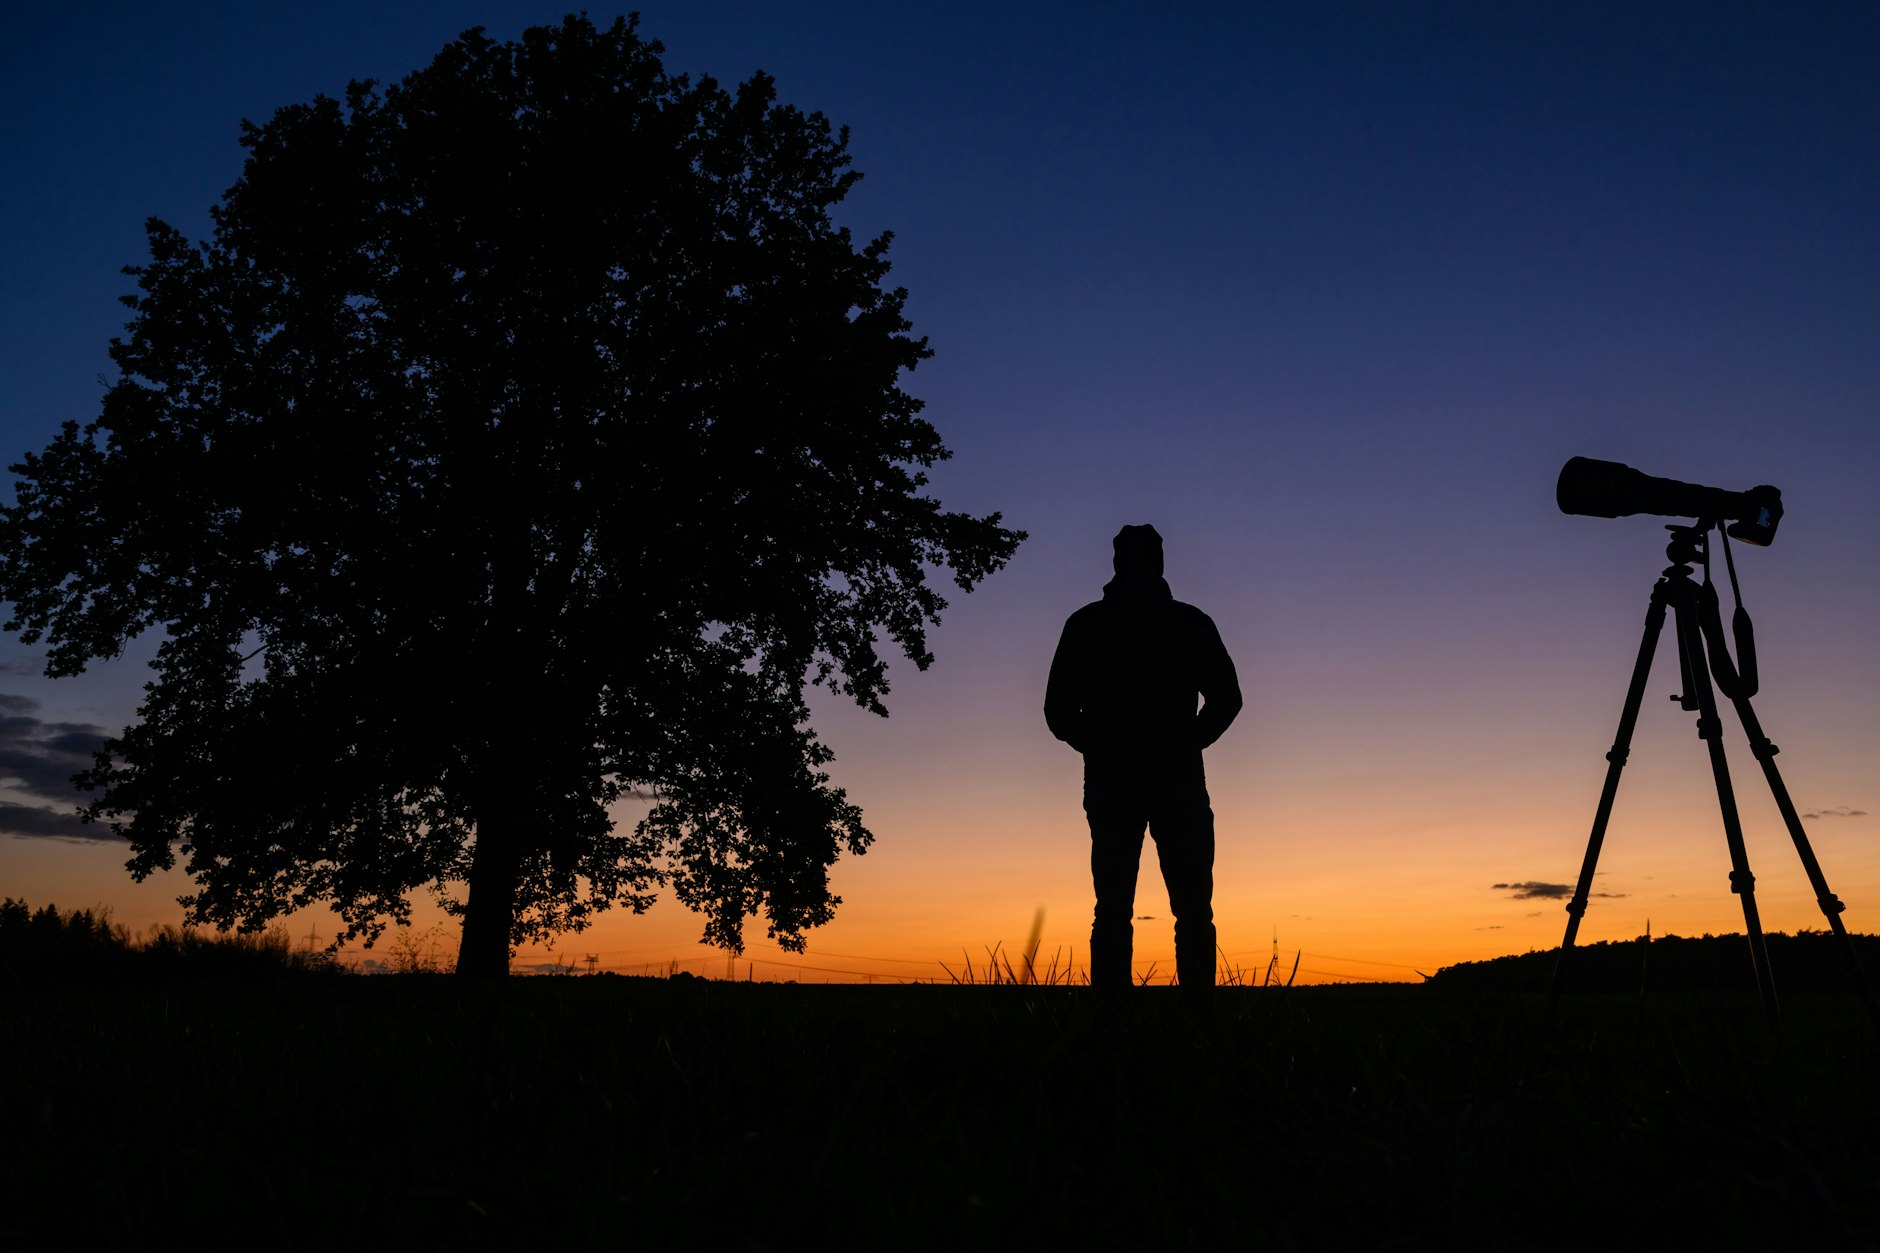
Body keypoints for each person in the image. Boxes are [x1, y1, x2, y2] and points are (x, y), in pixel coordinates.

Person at [1045, 524, 1242, 994]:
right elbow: (1058, 711)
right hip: (1152, 781)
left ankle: (1122, 1018)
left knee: (1135, 908)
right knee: (1166, 908)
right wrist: (1184, 742)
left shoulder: (1094, 623)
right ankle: (1183, 1017)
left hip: (1149, 781)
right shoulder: (1181, 622)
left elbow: (1226, 698)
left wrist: (1180, 743)